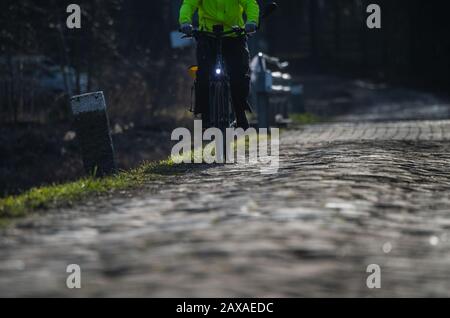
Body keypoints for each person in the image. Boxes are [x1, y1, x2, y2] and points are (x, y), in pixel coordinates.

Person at [179, 0, 260, 130]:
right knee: (203, 76)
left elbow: (250, 3)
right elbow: (188, 5)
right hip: (207, 36)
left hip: (234, 35)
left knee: (238, 76)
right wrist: (185, 22)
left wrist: (252, 22)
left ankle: (240, 112)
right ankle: (205, 113)